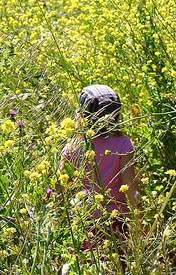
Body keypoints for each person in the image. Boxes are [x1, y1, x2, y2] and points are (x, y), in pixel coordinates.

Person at [59, 84, 140, 268]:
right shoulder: (124, 144)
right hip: (117, 224)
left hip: (84, 222)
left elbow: (59, 189)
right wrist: (140, 222)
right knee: (118, 268)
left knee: (88, 267)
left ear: (81, 115)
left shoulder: (73, 146)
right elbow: (132, 191)